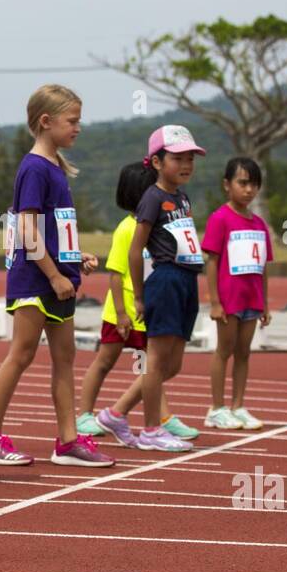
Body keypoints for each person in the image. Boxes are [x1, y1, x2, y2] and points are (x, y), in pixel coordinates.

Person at [0, 84, 107, 467]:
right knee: (21, 354)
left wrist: (73, 257)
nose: (78, 127)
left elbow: (51, 229)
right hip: (35, 280)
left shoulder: (55, 167)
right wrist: (53, 274)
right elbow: (27, 230)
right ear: (46, 122)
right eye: (72, 120)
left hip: (57, 276)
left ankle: (67, 440)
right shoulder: (33, 168)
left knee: (66, 355)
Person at [78, 163, 200, 445]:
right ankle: (85, 413)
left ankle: (155, 416)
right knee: (106, 361)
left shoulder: (164, 222)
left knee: (156, 364)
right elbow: (116, 273)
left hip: (152, 304)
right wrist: (122, 312)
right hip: (124, 310)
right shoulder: (127, 229)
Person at [126, 124, 208, 452]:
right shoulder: (153, 197)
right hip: (165, 279)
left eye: (190, 158)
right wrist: (139, 294)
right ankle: (150, 429)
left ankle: (117, 413)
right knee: (157, 361)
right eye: (178, 158)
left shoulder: (183, 198)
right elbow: (136, 249)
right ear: (157, 162)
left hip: (188, 280)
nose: (186, 164)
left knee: (173, 365)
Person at [203, 157, 273, 430]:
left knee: (244, 353)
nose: (249, 190)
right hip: (228, 300)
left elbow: (263, 267)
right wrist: (215, 302)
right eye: (243, 183)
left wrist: (265, 303)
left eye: (254, 184)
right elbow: (211, 262)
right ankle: (217, 408)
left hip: (252, 299)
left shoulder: (259, 224)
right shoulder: (220, 218)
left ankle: (238, 405)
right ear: (227, 185)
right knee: (224, 351)